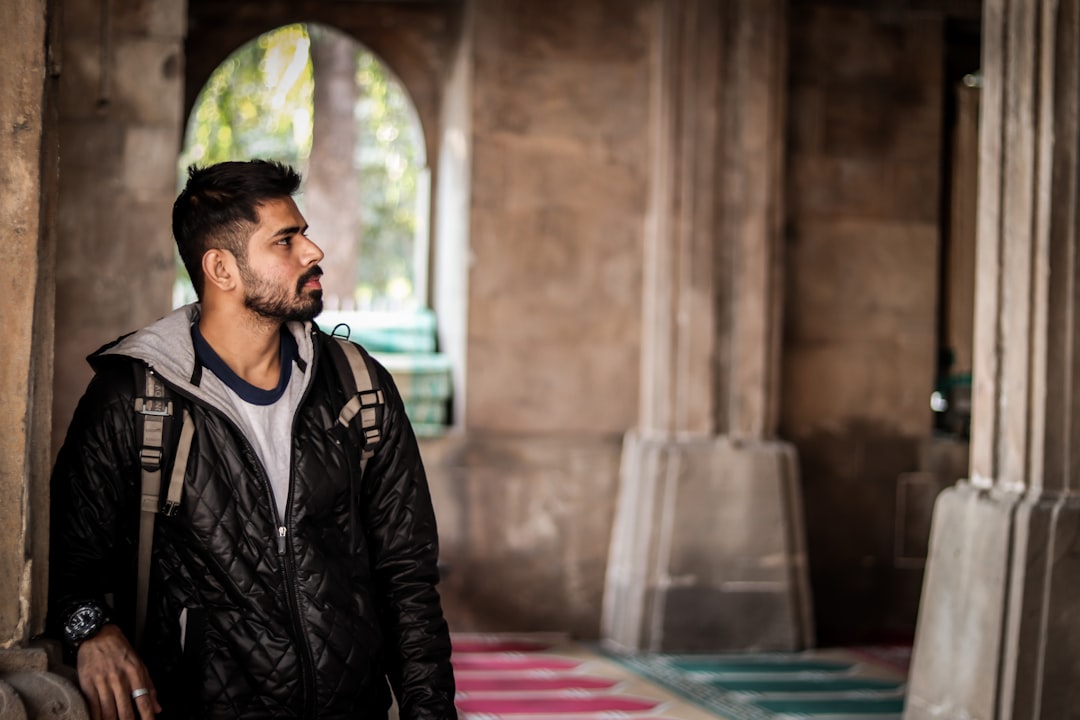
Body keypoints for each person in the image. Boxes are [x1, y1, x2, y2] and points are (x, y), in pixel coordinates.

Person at [47, 159, 457, 720]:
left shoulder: (358, 387)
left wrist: (429, 711)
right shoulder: (133, 398)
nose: (312, 252)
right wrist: (93, 631)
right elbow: (68, 569)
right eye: (285, 241)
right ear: (221, 268)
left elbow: (407, 572)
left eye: (304, 234)